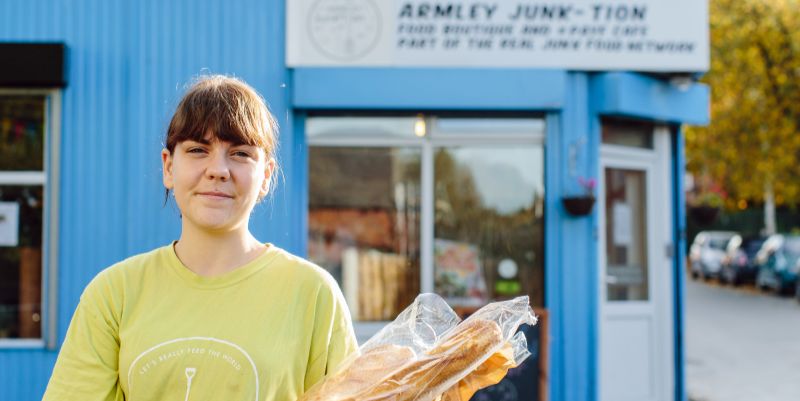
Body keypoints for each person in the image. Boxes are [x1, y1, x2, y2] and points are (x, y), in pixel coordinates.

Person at [42, 75, 358, 401]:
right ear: (168, 167)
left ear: (265, 175)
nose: (218, 169)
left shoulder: (312, 293)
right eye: (197, 150)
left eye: (240, 154)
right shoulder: (114, 295)